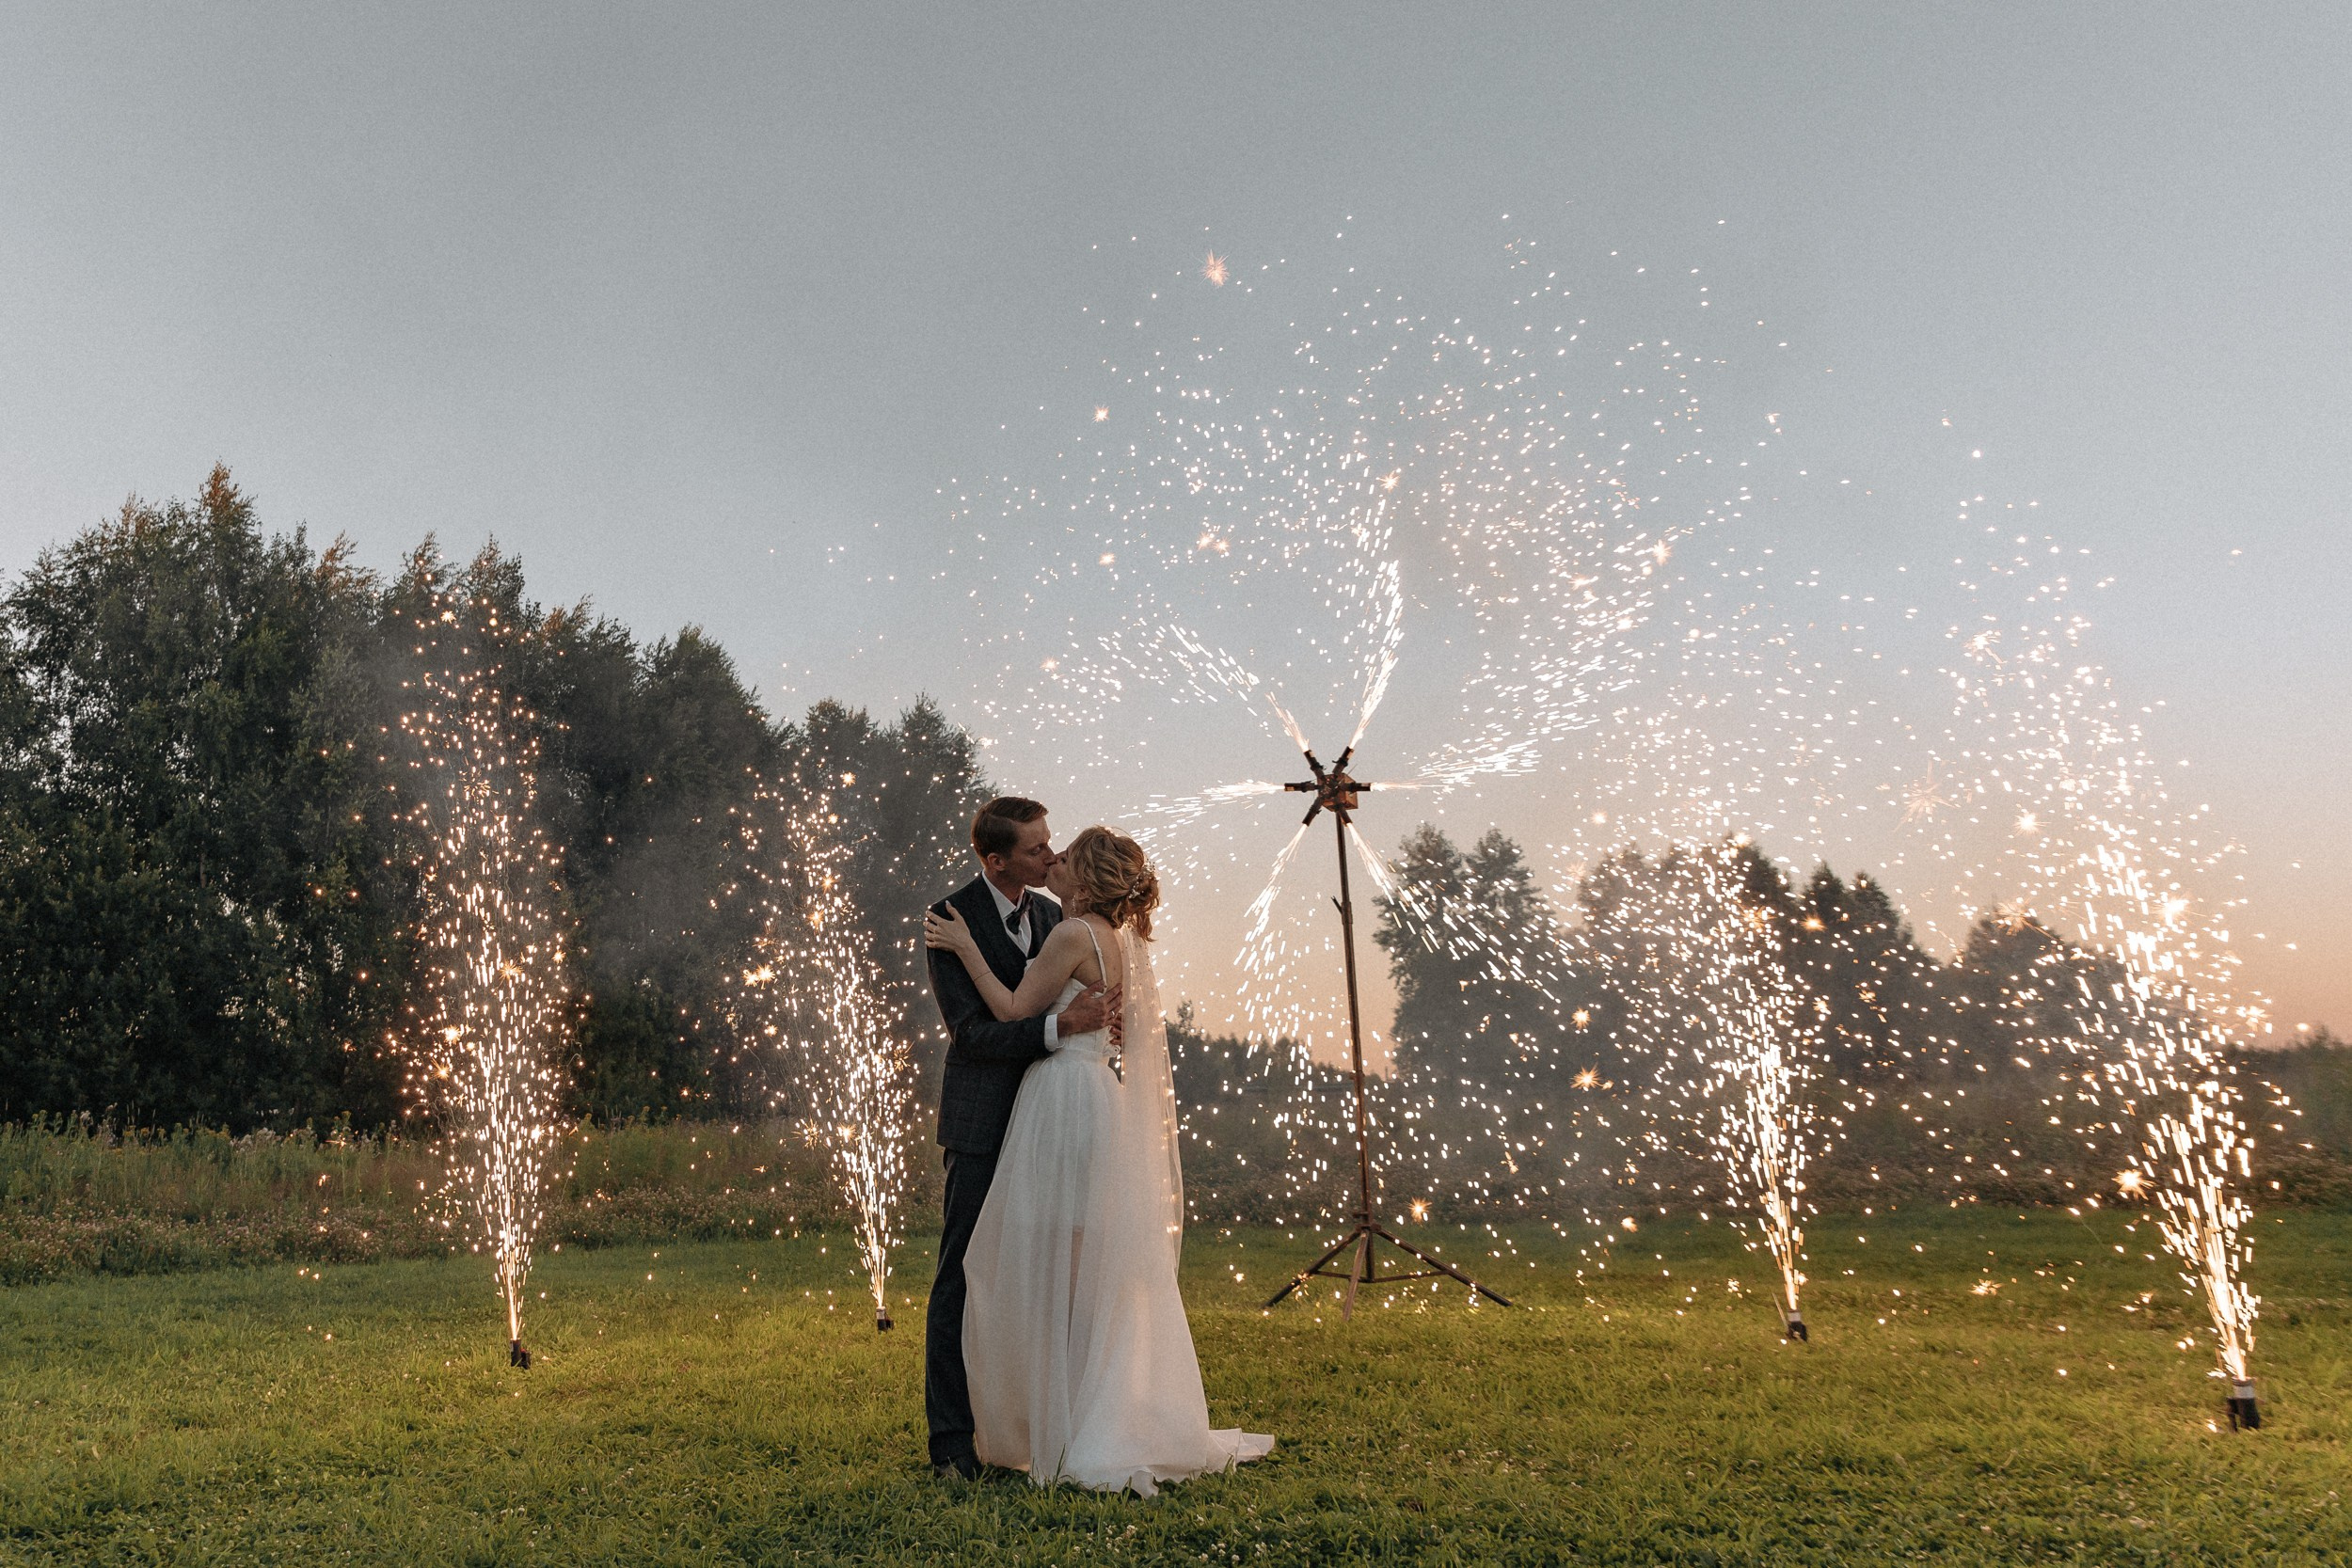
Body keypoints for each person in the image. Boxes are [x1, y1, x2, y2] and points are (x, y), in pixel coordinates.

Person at [925, 825, 1274, 1496]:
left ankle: (1062, 1426)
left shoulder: (1068, 932)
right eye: (1042, 850)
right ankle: (1087, 1417)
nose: (1052, 860)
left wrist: (968, 946)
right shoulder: (1123, 941)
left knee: (1045, 1266)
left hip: (1060, 1102)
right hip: (1099, 1102)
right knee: (1083, 1272)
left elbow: (1009, 1007)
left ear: (1083, 876)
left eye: (1062, 855)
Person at [921, 797, 1120, 1480]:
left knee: (1040, 1282)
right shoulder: (950, 921)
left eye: (1050, 845)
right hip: (982, 1124)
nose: (1050, 855)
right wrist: (1059, 1029)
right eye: (1036, 849)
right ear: (995, 859)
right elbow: (973, 1033)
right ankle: (951, 1440)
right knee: (962, 1277)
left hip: (1051, 1127)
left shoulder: (1052, 916)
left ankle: (1030, 1427)